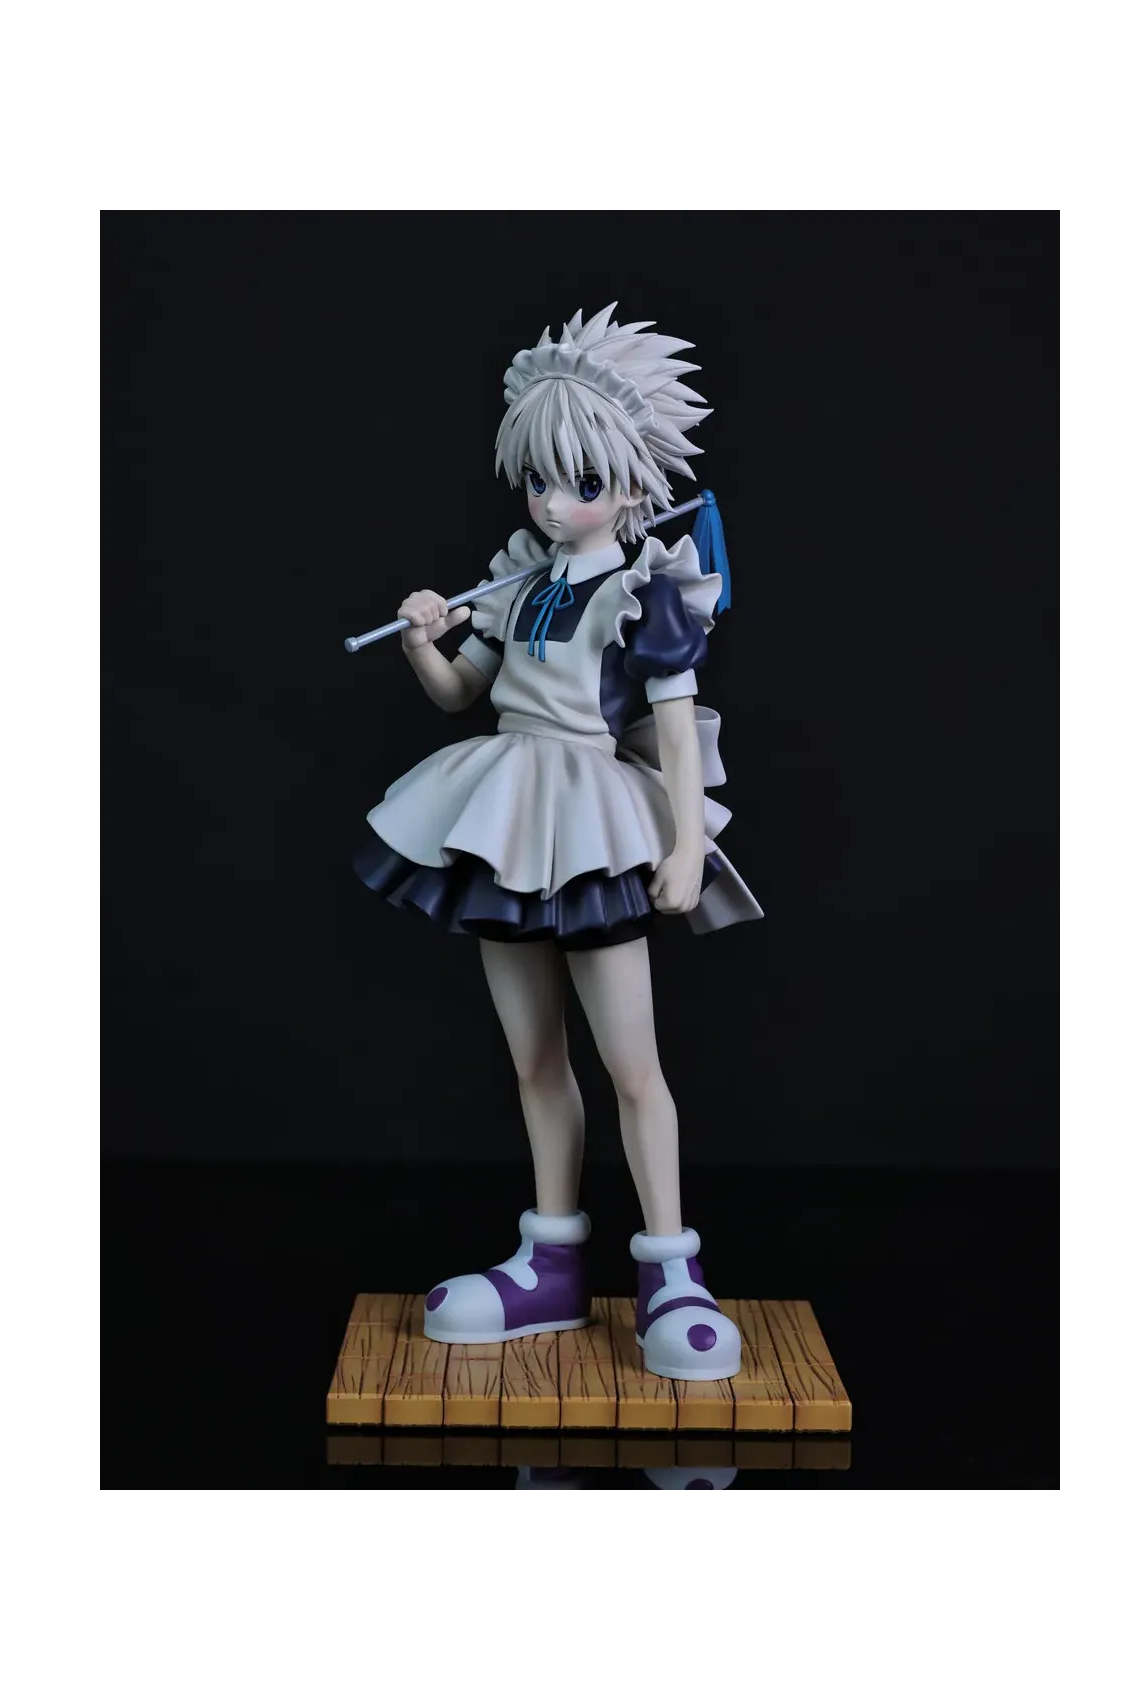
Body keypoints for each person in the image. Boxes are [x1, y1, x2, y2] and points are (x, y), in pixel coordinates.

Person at [353, 305, 762, 1380]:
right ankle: (553, 1263)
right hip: (504, 810)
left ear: (628, 486)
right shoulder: (519, 577)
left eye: (577, 480)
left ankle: (670, 1270)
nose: (549, 501)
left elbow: (676, 725)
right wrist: (422, 643)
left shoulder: (646, 588)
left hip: (591, 821)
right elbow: (464, 695)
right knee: (534, 1057)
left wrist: (683, 843)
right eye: (537, 478)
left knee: (633, 1066)